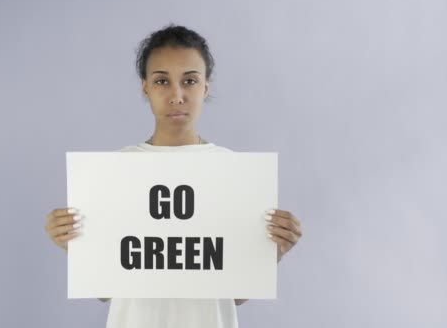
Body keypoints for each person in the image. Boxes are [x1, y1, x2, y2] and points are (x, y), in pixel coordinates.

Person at [44, 24, 303, 328]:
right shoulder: (116, 171)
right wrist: (75, 245)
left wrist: (271, 252)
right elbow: (107, 290)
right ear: (146, 88)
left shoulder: (232, 172)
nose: (176, 95)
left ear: (205, 87)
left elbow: (234, 295)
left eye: (190, 81)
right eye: (162, 81)